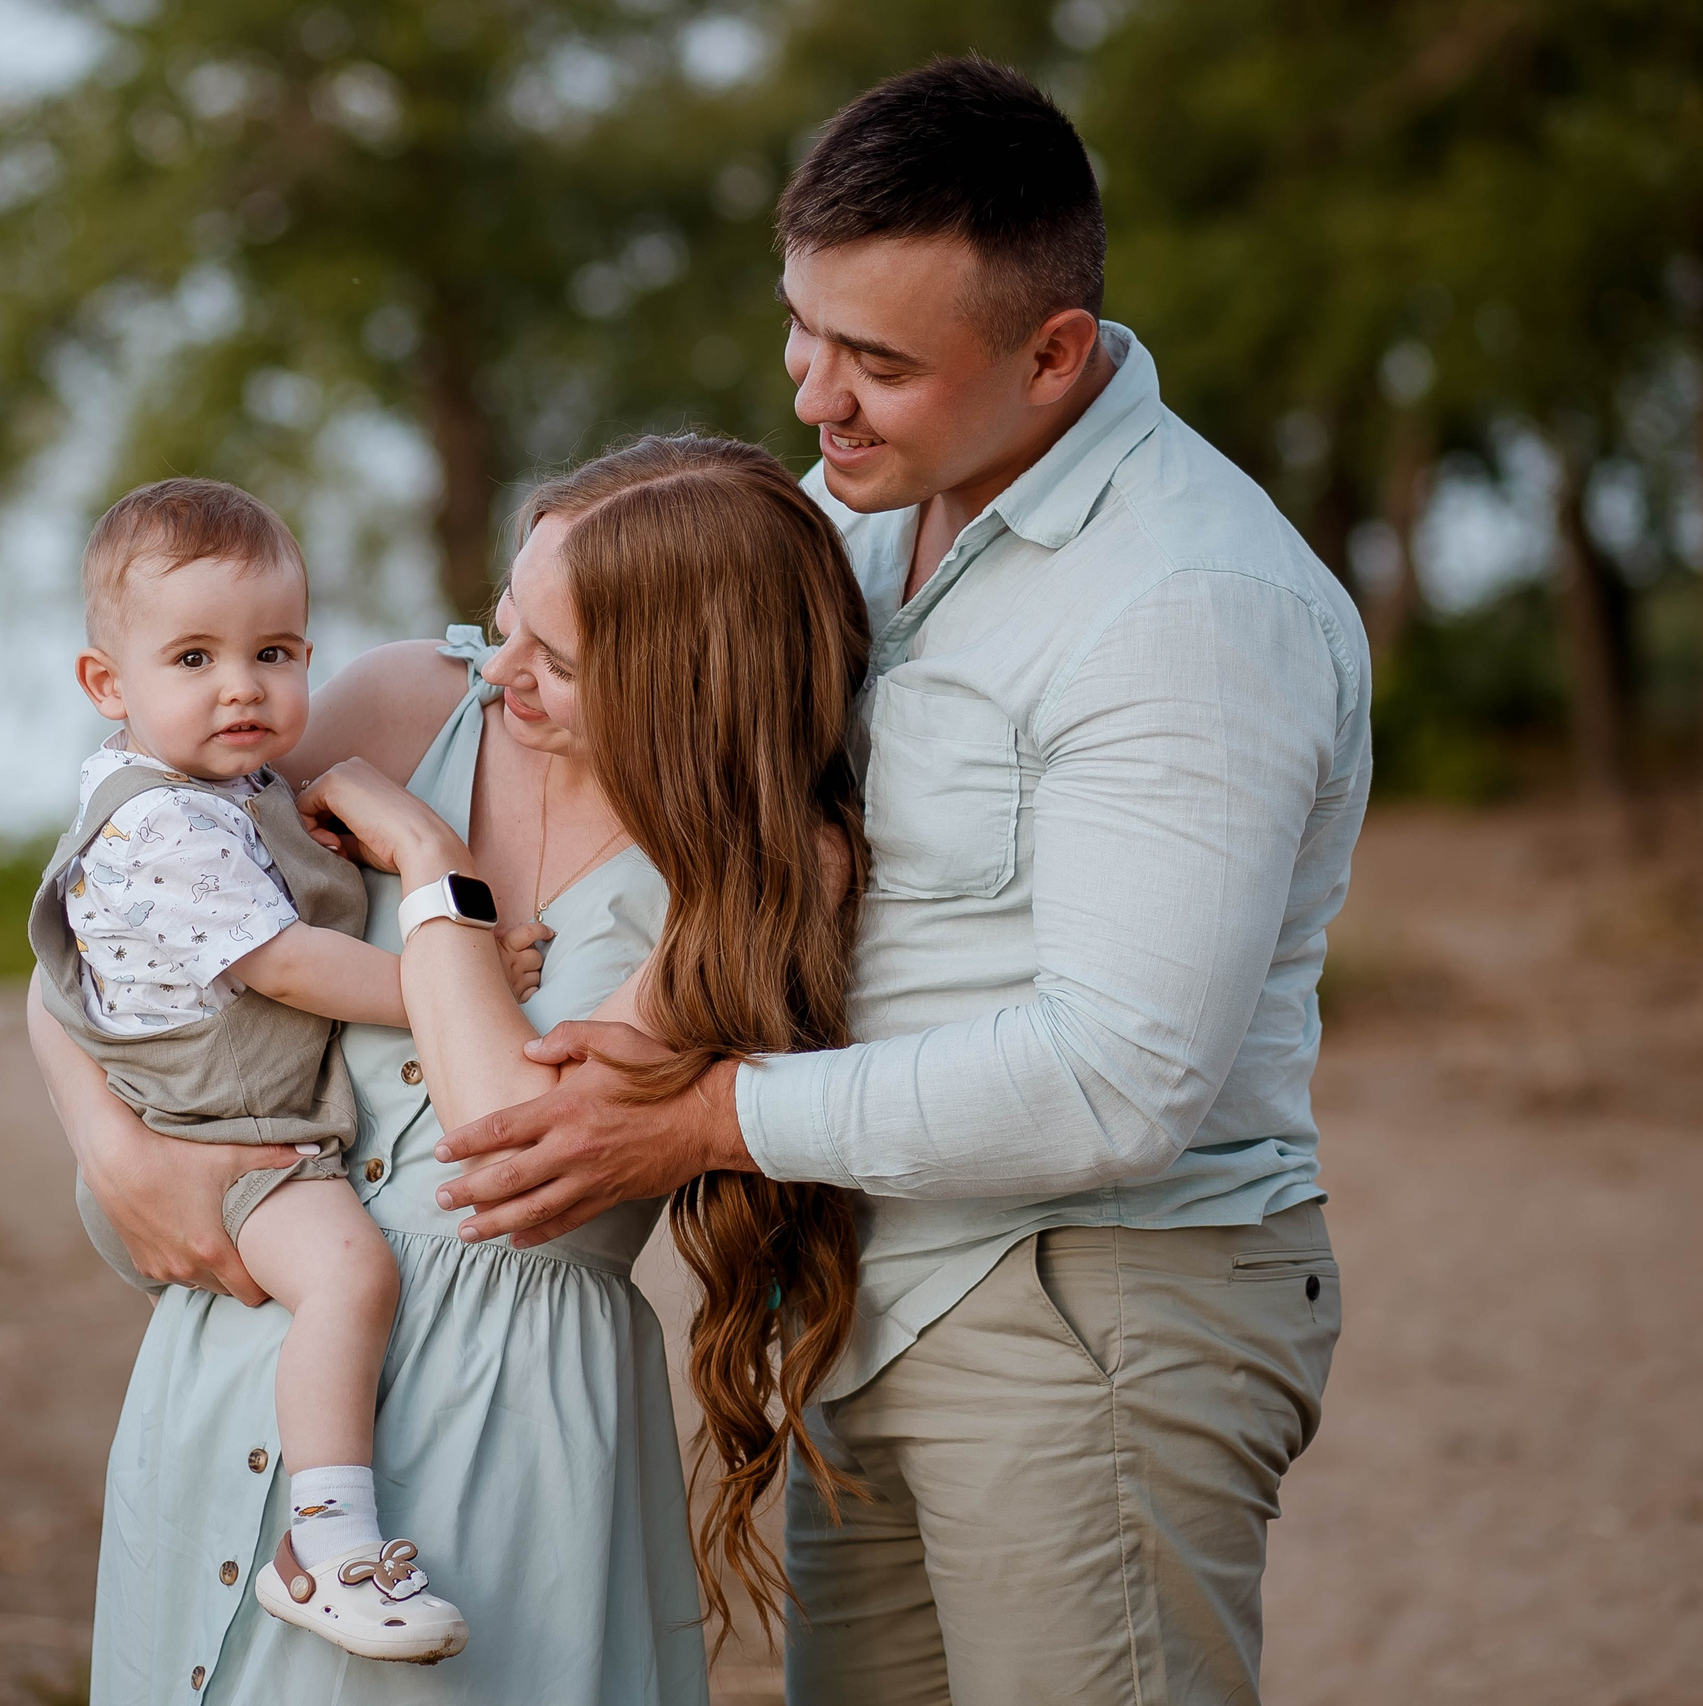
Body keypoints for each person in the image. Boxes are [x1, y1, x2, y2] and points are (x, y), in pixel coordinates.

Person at [431, 58, 1374, 1706]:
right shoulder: (861, 521)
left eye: (879, 363)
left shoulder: (1186, 608)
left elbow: (1120, 1076)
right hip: (874, 1291)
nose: (817, 398)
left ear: (1054, 352)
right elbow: (581, 693)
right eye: (805, 332)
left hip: (1089, 1313)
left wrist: (703, 1119)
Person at [27, 435, 874, 1704]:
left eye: (556, 657)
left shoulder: (767, 867)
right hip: (250, 1336)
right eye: (504, 618)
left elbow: (509, 1135)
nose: (501, 673)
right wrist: (113, 1145)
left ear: (686, 679)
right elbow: (109, 936)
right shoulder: (400, 702)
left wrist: (428, 860)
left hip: (510, 1395)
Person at [29, 479, 542, 1664]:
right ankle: (329, 1542)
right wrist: (463, 970)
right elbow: (294, 965)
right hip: (223, 1129)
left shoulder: (235, 790)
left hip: (252, 1106)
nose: (242, 687)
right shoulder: (159, 821)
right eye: (194, 657)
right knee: (351, 1277)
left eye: (273, 651)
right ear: (109, 686)